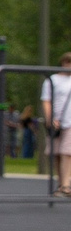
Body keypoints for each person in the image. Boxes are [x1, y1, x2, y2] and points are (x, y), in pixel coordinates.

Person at [46, 52, 71, 195]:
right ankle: (62, 183)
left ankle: (66, 186)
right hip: (56, 121)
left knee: (67, 153)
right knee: (56, 154)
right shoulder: (52, 80)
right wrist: (50, 118)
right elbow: (46, 100)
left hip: (70, 121)